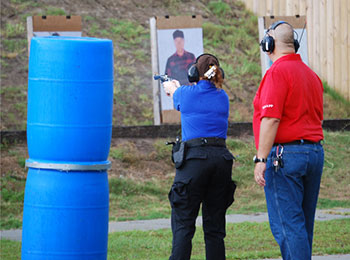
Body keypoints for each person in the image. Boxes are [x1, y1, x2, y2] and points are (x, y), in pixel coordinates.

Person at [253, 21, 324, 260]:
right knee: (302, 226)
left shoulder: (277, 72)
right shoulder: (311, 75)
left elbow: (271, 119)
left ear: (269, 44)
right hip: (313, 153)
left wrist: (261, 158)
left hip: (285, 157)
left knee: (288, 226)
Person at [163, 53, 236, 260]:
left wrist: (172, 86)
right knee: (214, 229)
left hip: (194, 162)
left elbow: (176, 95)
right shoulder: (222, 97)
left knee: (184, 225)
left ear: (194, 73)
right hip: (221, 161)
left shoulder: (185, 94)